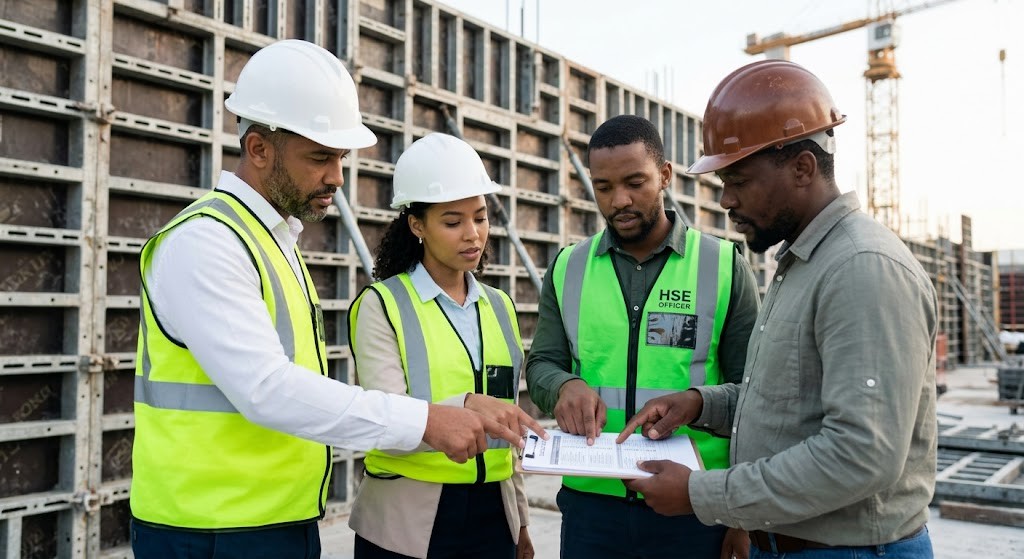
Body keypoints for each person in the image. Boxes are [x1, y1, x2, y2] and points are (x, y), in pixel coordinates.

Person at [129, 41, 526, 559]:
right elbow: (265, 388)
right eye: (320, 157)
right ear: (259, 149)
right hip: (209, 530)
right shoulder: (208, 242)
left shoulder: (273, 242)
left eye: (340, 157)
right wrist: (427, 420)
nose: (337, 177)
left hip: (273, 518)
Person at [620, 59, 938, 559]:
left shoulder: (861, 268)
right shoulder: (806, 263)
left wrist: (701, 494)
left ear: (802, 168)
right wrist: (702, 404)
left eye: (739, 180)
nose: (726, 200)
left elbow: (862, 454)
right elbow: (792, 401)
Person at [526, 114, 761, 559]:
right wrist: (563, 385)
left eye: (635, 183)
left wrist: (740, 514)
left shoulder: (723, 266)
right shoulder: (568, 267)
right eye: (603, 187)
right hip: (591, 506)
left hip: (692, 504)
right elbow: (541, 365)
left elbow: (755, 395)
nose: (620, 201)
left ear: (665, 175)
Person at [347, 133, 545, 559]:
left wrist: (521, 521)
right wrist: (466, 406)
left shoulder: (500, 307)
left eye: (480, 217)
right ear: (416, 225)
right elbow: (383, 417)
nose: (473, 235)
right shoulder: (382, 305)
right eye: (453, 222)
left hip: (494, 518)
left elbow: (507, 428)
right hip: (405, 522)